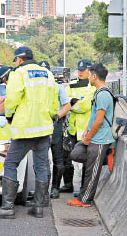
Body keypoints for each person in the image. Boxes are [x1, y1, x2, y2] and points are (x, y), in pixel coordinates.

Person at [0, 47, 59, 219]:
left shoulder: (19, 73)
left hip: (25, 128)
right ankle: (38, 207)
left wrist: (9, 116)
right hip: (43, 128)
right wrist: (49, 116)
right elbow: (54, 101)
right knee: (41, 166)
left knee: (10, 164)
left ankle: (7, 208)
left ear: (19, 59)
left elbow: (11, 100)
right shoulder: (47, 73)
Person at [67, 63, 114, 207]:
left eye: (89, 74)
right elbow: (94, 117)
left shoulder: (104, 94)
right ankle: (104, 158)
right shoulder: (97, 92)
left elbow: (99, 120)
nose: (87, 77)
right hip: (93, 136)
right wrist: (87, 130)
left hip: (100, 138)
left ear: (94, 76)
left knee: (92, 171)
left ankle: (85, 199)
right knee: (76, 154)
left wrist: (88, 137)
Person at [60, 59, 96, 193]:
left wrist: (71, 104)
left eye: (83, 70)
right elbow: (64, 101)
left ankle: (83, 189)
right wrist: (74, 102)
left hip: (85, 130)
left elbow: (85, 106)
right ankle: (68, 184)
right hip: (71, 129)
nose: (80, 72)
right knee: (66, 158)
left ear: (89, 70)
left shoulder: (92, 87)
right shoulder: (71, 85)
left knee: (86, 161)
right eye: (79, 70)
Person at [38, 60, 71, 199]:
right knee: (41, 160)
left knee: (58, 157)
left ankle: (55, 188)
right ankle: (42, 190)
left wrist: (57, 116)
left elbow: (67, 105)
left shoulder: (57, 87)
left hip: (54, 124)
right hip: (38, 124)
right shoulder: (35, 88)